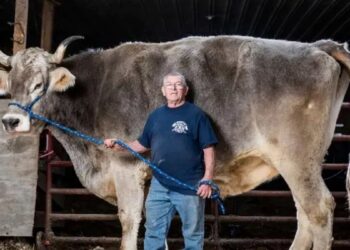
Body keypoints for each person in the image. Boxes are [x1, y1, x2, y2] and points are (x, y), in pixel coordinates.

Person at [104, 72, 218, 250]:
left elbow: (208, 148)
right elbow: (142, 144)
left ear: (185, 90)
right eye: (169, 85)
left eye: (178, 84)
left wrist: (207, 179)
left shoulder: (196, 115)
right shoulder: (156, 116)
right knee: (153, 231)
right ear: (163, 91)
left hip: (190, 184)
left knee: (193, 234)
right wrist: (119, 145)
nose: (173, 88)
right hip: (159, 185)